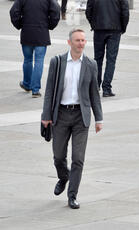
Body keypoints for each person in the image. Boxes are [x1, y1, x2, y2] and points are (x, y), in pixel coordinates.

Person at [41, 29, 103, 210]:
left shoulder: (91, 64)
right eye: (77, 40)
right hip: (60, 115)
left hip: (80, 117)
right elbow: (50, 91)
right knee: (59, 157)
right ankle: (63, 176)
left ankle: (72, 195)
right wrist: (46, 116)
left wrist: (99, 118)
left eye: (83, 40)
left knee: (78, 158)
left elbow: (94, 94)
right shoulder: (58, 62)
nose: (81, 43)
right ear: (69, 43)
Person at [10, 0, 60, 98]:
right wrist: (50, 25)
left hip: (27, 32)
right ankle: (35, 90)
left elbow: (13, 11)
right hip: (42, 32)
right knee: (39, 60)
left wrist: (19, 24)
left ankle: (27, 84)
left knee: (27, 60)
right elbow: (56, 10)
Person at [86, 0, 130, 97]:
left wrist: (93, 23)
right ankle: (106, 88)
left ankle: (96, 86)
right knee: (111, 60)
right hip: (115, 28)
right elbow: (125, 11)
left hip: (99, 28)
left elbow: (88, 10)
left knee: (98, 59)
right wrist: (123, 27)